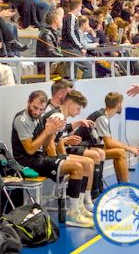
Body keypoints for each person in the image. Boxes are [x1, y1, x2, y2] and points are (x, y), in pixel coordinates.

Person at [11, 91, 94, 228]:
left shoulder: (38, 118)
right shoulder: (21, 120)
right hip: (26, 162)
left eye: (41, 109)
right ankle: (73, 214)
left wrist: (50, 131)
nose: (37, 112)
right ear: (28, 102)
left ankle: (79, 208)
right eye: (35, 107)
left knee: (84, 164)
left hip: (39, 157)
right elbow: (30, 150)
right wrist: (47, 132)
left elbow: (45, 145)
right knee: (77, 167)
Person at [76, 92, 139, 183]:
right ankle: (126, 186)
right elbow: (109, 144)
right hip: (80, 148)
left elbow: (110, 141)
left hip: (89, 147)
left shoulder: (103, 115)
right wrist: (130, 149)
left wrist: (129, 148)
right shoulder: (101, 117)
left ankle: (122, 184)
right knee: (121, 153)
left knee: (119, 152)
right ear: (118, 105)